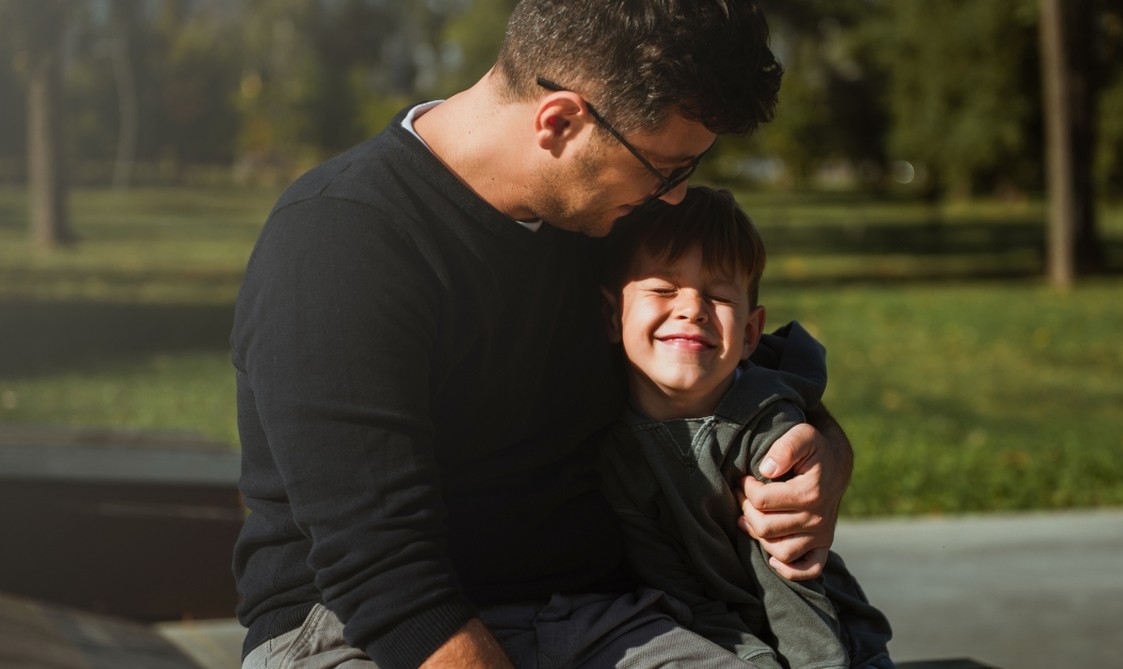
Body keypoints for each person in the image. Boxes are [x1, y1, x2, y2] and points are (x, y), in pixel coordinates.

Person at [231, 1, 856, 667]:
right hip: (356, 628)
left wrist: (825, 454)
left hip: (590, 615)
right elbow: (387, 580)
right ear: (559, 123)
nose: (674, 196)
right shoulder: (339, 241)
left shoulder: (601, 217)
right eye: (666, 169)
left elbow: (737, 376)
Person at [597, 187, 895, 669]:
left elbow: (792, 577)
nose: (692, 308)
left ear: (751, 334)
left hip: (829, 642)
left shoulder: (764, 428)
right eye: (664, 288)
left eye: (716, 294)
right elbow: (671, 586)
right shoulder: (616, 446)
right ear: (613, 315)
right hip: (714, 642)